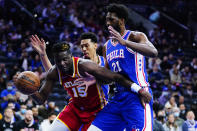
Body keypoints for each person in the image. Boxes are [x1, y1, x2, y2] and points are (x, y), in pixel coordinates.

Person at [14, 40, 151, 131]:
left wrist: (138, 89)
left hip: (96, 111)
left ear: (71, 56)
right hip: (74, 109)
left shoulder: (85, 66)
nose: (62, 64)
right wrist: (28, 90)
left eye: (65, 59)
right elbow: (41, 99)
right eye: (58, 61)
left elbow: (115, 77)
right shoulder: (55, 71)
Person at [88, 3, 158, 131]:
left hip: (138, 96)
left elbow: (153, 52)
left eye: (112, 19)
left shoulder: (135, 36)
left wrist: (125, 42)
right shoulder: (106, 46)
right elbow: (110, 77)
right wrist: (94, 74)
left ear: (122, 20)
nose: (108, 23)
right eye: (106, 20)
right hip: (118, 97)